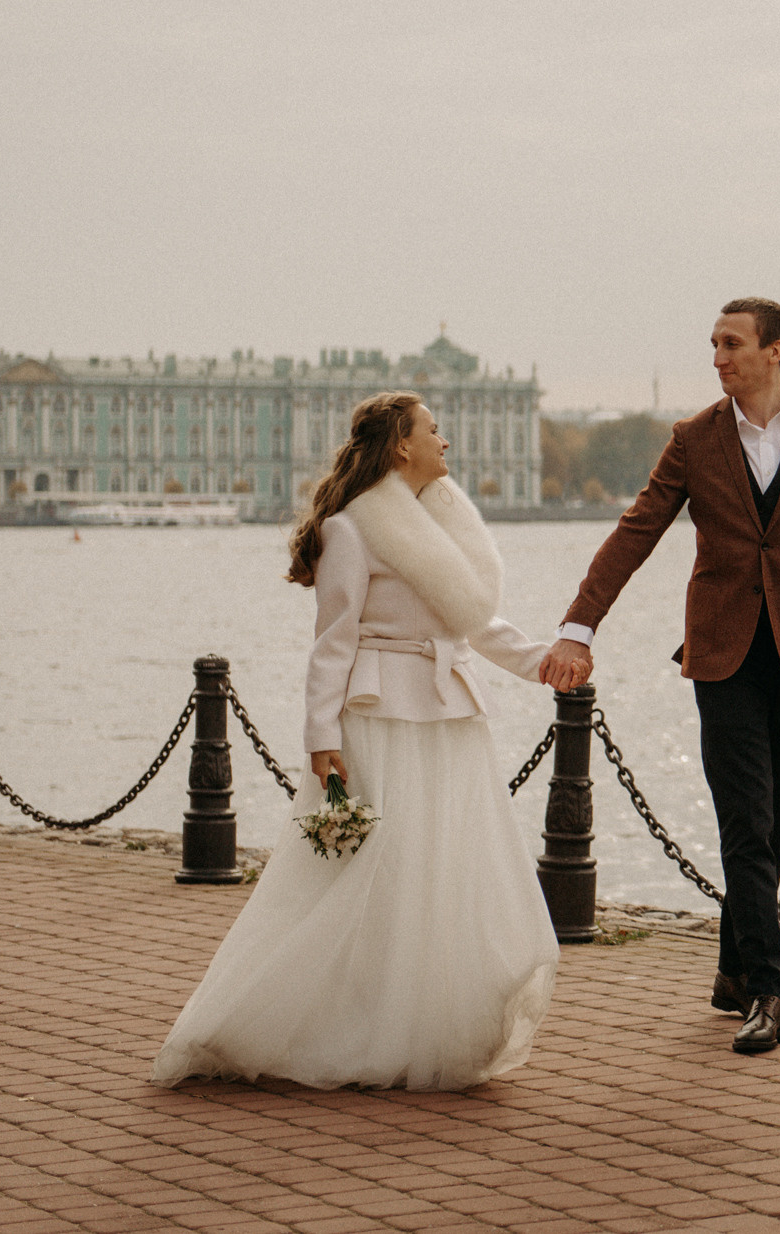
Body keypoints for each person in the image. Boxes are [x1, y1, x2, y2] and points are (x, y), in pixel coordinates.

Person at [153, 392, 560, 1091]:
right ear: (402, 445)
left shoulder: (438, 521)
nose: (446, 443)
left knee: (437, 871)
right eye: (434, 430)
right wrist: (321, 738)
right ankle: (315, 1021)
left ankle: (420, 1024)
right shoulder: (350, 530)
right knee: (374, 876)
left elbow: (468, 620)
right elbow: (332, 644)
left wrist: (542, 660)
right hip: (379, 717)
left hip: (448, 716)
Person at [539, 297, 780, 1056]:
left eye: (732, 344)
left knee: (773, 826)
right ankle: (769, 990)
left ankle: (731, 969)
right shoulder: (694, 440)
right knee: (745, 823)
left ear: (776, 352)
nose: (718, 357)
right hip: (722, 656)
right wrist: (578, 627)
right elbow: (638, 530)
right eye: (714, 345)